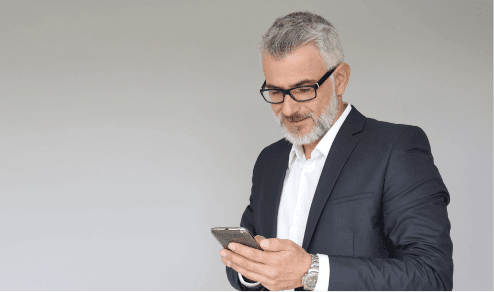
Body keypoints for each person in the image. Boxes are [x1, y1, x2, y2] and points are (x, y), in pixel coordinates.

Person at [219, 11, 453, 291]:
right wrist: (252, 270)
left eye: (304, 89)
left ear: (340, 80)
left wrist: (311, 271)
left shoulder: (396, 148)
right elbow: (245, 262)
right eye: (275, 92)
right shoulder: (269, 161)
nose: (288, 109)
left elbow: (431, 276)